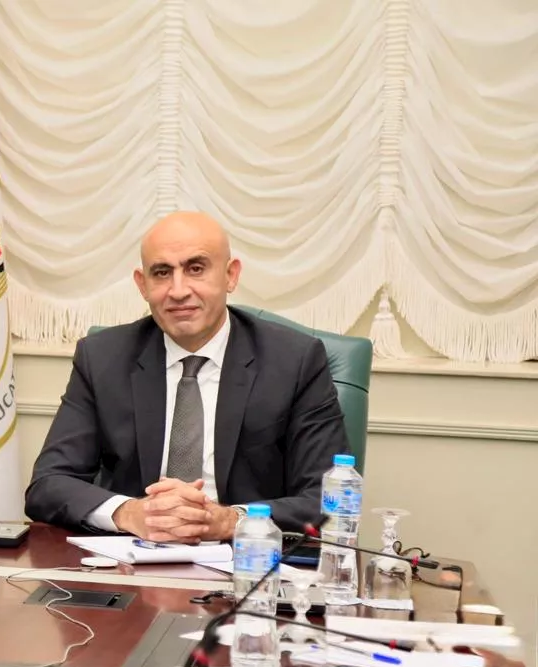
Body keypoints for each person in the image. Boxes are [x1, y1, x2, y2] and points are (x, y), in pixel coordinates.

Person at [25, 211, 348, 542]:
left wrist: (230, 521)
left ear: (231, 275)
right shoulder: (103, 358)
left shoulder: (294, 361)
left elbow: (328, 498)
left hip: (247, 557)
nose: (178, 291)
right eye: (162, 273)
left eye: (196, 269)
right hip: (132, 555)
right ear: (142, 284)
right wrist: (130, 513)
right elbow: (48, 484)